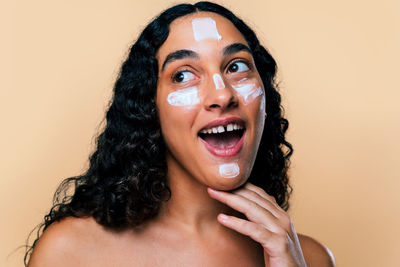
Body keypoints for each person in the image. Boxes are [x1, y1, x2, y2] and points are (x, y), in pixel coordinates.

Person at [25, 2, 335, 266]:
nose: (222, 95)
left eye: (236, 66)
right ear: (150, 105)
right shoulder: (71, 253)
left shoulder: (309, 258)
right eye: (183, 75)